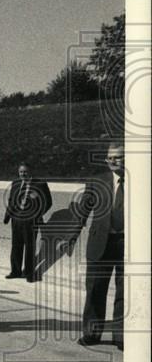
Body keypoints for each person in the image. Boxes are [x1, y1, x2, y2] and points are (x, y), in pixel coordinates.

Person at [70, 143, 126, 350]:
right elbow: (83, 210)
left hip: (127, 245)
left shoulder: (141, 181)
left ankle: (120, 337)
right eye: (110, 157)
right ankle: (91, 333)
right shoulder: (97, 181)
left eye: (118, 157)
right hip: (100, 243)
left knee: (125, 291)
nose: (112, 161)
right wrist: (72, 236)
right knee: (94, 288)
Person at [3, 162, 52, 282]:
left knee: (30, 247)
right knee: (16, 246)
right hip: (16, 220)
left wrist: (37, 215)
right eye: (21, 172)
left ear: (30, 172)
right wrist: (7, 217)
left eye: (25, 172)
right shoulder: (15, 184)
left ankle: (29, 273)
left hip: (31, 221)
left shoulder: (40, 184)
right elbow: (11, 201)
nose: (23, 174)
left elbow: (48, 202)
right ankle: (15, 271)